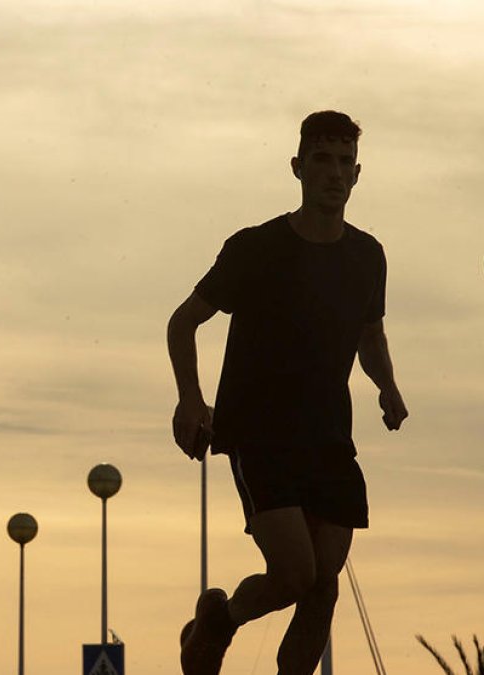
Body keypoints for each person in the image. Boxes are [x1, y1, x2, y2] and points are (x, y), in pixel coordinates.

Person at [166, 110, 408, 675]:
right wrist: (190, 400)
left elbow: (369, 333)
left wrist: (388, 386)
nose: (334, 173)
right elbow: (183, 323)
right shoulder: (257, 247)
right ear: (298, 168)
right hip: (260, 432)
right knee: (295, 575)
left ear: (357, 174)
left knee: (324, 587)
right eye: (322, 160)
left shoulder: (367, 255)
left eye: (345, 163)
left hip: (329, 437)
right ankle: (219, 622)